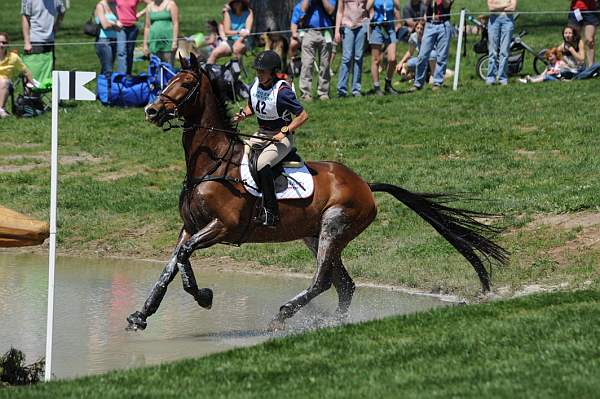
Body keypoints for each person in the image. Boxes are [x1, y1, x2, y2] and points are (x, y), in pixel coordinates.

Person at [232, 51, 309, 227]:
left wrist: (284, 131)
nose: (258, 74)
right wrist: (243, 114)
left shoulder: (282, 92)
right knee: (239, 155)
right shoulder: (255, 85)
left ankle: (271, 212)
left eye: (262, 71)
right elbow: (253, 106)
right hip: (261, 133)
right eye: (257, 71)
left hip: (282, 139)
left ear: (273, 71)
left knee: (261, 164)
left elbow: (303, 116)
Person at [410, 0, 455, 92]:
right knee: (422, 55)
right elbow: (425, 3)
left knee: (441, 56)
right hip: (430, 24)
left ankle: (437, 82)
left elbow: (447, 4)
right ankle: (418, 84)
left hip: (444, 24)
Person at [299, 0, 337, 101]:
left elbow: (331, 11)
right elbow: (303, 9)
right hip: (309, 32)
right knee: (307, 63)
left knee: (325, 64)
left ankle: (323, 93)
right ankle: (305, 93)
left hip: (326, 32)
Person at [335, 0, 368, 97]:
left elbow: (368, 6)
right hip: (347, 26)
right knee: (346, 58)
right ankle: (342, 90)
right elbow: (340, 11)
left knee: (359, 57)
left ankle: (356, 89)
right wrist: (337, 31)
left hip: (361, 26)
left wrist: (367, 24)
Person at [367, 0, 401, 96]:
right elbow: (367, 7)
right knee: (376, 60)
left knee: (392, 59)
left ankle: (388, 84)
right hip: (377, 28)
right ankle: (377, 87)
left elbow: (398, 7)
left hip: (390, 28)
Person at [21, 0, 66, 68]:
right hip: (35, 41)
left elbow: (62, 11)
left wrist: (57, 26)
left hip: (50, 40)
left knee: (50, 71)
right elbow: (25, 18)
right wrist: (27, 42)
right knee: (35, 71)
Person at [0, 32, 34, 118]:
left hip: (6, 83)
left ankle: (1, 109)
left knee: (4, 82)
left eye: (4, 43)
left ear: (7, 45)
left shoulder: (13, 57)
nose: (1, 45)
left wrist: (33, 84)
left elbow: (25, 71)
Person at [486, 0, 517, 85]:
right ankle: (491, 77)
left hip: (508, 21)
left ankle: (502, 78)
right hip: (494, 20)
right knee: (492, 51)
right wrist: (506, 4)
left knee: (504, 51)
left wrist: (498, 6)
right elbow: (491, 8)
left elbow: (512, 8)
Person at [115, 0, 149, 75]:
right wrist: (115, 20)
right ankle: (121, 77)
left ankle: (128, 75)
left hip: (132, 27)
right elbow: (108, 5)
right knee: (121, 52)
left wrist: (140, 13)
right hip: (121, 28)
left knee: (130, 53)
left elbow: (151, 3)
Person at [95, 0, 122, 89]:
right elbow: (105, 25)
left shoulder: (114, 5)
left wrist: (113, 24)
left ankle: (101, 91)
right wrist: (115, 24)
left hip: (114, 40)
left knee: (108, 67)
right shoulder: (100, 6)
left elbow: (120, 24)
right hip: (104, 41)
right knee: (107, 69)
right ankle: (107, 91)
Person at [143, 0, 179, 65]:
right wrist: (145, 44)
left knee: (168, 65)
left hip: (168, 40)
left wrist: (174, 41)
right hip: (154, 41)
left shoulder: (171, 4)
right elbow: (147, 26)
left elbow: (175, 23)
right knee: (155, 65)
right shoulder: (149, 7)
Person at [568, 0, 598, 66]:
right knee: (573, 38)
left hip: (591, 12)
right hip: (575, 11)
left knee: (589, 40)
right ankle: (577, 65)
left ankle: (591, 67)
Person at [289, 0, 305, 76]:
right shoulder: (298, 7)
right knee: (293, 43)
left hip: (313, 32)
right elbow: (294, 23)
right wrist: (294, 33)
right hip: (300, 33)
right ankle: (293, 64)